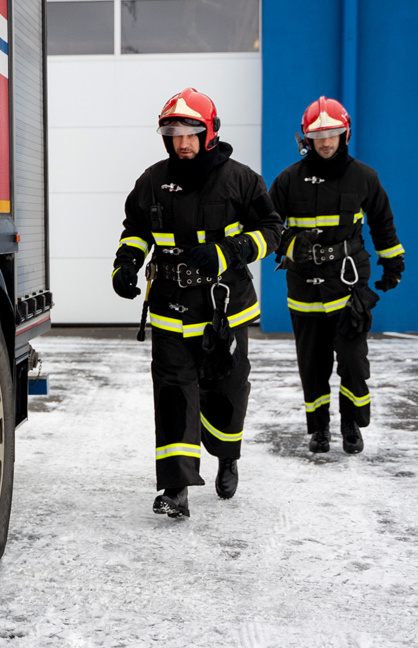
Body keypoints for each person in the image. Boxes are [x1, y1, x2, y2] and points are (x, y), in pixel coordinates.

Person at [111, 88, 282, 518]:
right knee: (172, 394)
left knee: (225, 390)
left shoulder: (241, 179)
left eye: (190, 133)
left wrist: (230, 251)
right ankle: (176, 488)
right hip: (170, 305)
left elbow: (273, 230)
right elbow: (136, 229)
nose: (181, 143)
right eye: (173, 134)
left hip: (224, 309)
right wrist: (126, 263)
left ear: (209, 132)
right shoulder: (152, 179)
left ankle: (227, 455)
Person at [268, 96, 405, 455]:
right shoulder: (287, 181)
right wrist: (288, 245)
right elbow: (265, 227)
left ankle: (350, 424)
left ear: (345, 134)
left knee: (354, 362)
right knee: (312, 365)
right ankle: (320, 429)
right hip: (304, 286)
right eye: (318, 135)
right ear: (306, 139)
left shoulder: (364, 177)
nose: (326, 141)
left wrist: (393, 264)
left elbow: (383, 225)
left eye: (333, 133)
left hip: (349, 285)